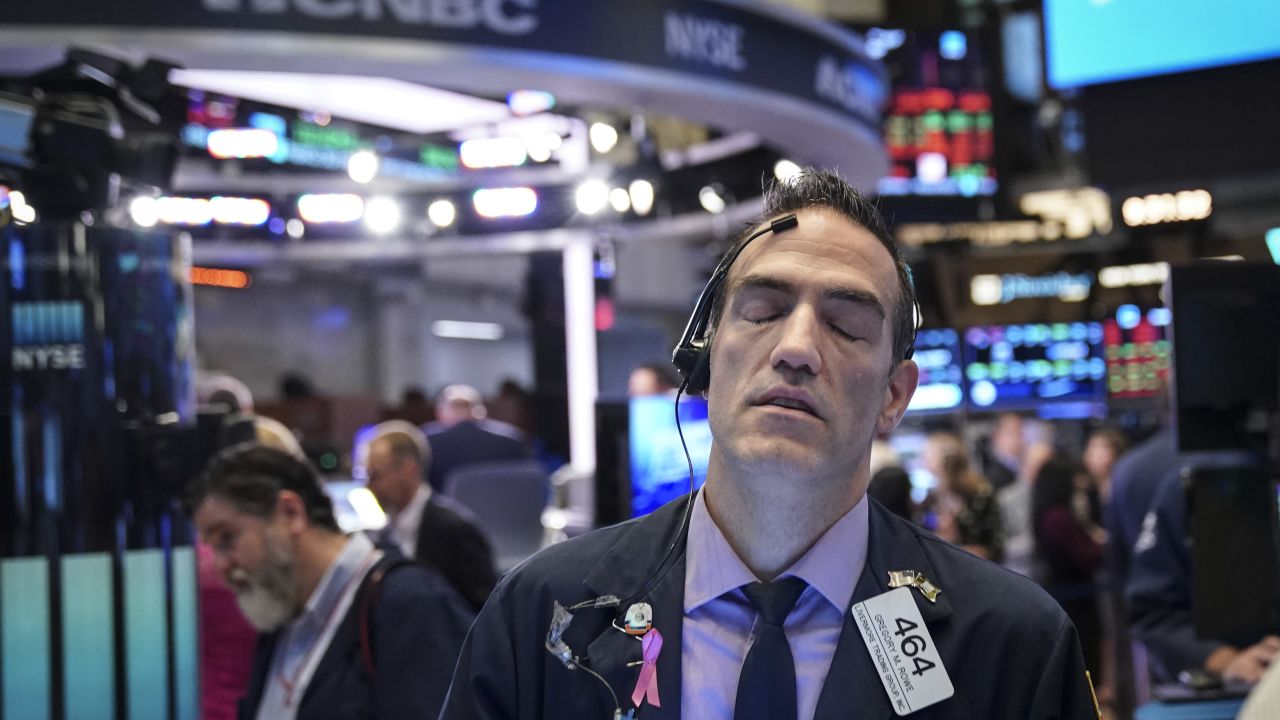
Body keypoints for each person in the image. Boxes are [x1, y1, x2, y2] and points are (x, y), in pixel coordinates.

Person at [441, 170, 1093, 719]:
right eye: (763, 312)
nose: (797, 349)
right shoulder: (543, 616)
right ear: (702, 360)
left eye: (844, 326)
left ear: (895, 395)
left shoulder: (1012, 643)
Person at [187, 444, 473, 720]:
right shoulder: (282, 611)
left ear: (291, 514)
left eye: (227, 539)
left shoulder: (409, 603)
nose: (221, 566)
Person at [363, 421, 498, 611]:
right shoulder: (382, 535)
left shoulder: (457, 531)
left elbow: (485, 612)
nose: (368, 486)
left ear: (408, 469)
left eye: (374, 475)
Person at [1032, 457, 1107, 693]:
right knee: (1087, 667)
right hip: (1075, 600)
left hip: (1071, 598)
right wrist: (1105, 544)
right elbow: (1085, 557)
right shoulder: (1059, 518)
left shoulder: (1054, 514)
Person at [425, 384, 528, 492]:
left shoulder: (426, 441)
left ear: (440, 412)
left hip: (446, 506)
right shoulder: (512, 438)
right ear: (481, 411)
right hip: (501, 505)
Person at [922, 431, 1005, 562]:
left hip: (978, 567)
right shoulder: (931, 496)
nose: (924, 460)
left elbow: (996, 544)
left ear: (946, 458)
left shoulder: (980, 493)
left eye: (929, 454)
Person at [986, 412, 1026, 491]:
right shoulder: (993, 475)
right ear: (996, 436)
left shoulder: (1022, 466)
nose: (1019, 438)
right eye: (1012, 432)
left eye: (1021, 432)